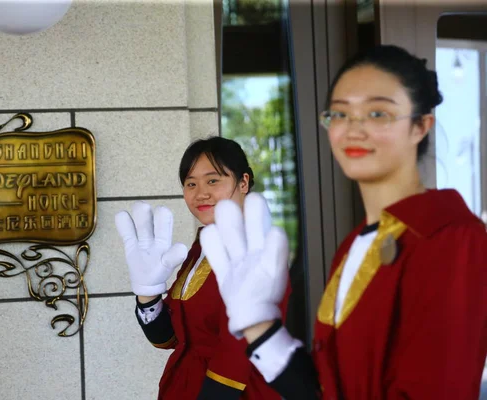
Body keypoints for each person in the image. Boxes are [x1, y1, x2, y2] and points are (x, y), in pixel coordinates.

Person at [200, 45, 487, 399]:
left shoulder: (454, 238)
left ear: (420, 126)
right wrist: (259, 324)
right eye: (339, 114)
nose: (353, 129)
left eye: (378, 113)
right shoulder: (355, 244)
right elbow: (330, 388)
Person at [115, 136, 290, 399]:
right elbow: (169, 339)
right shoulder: (201, 249)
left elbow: (238, 354)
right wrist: (147, 294)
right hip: (184, 384)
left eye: (213, 180)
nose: (201, 193)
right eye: (191, 183)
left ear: (243, 182)